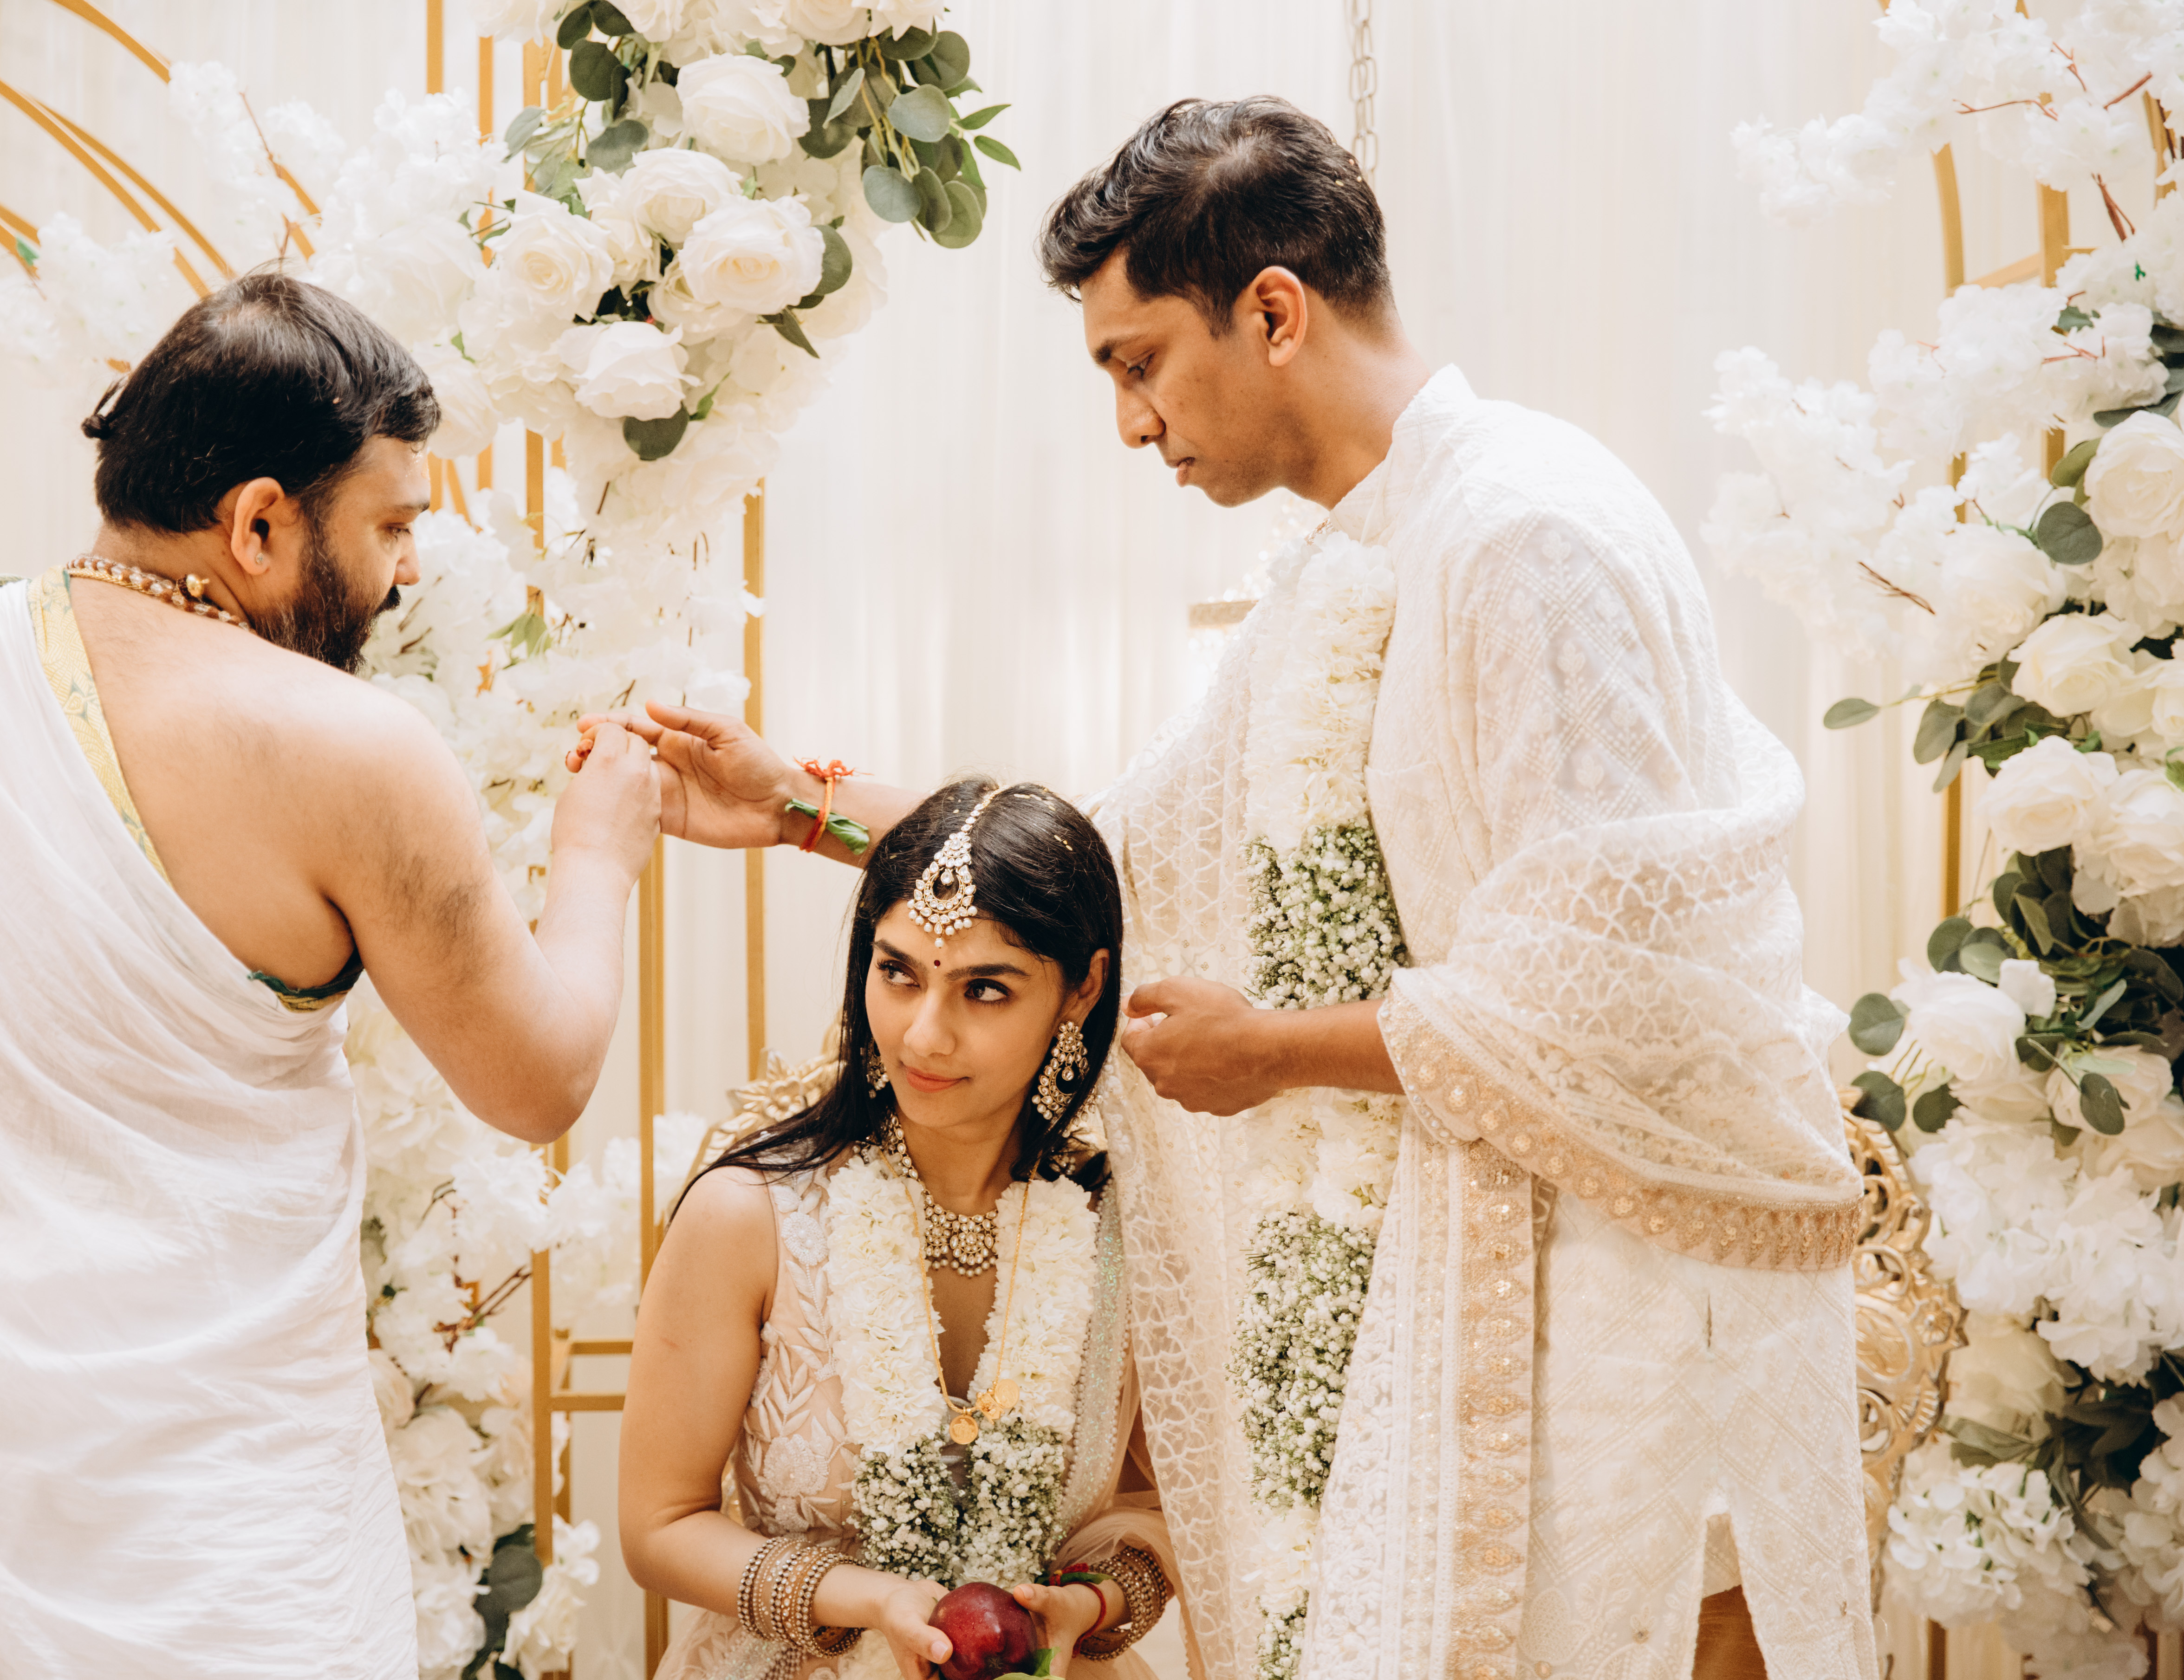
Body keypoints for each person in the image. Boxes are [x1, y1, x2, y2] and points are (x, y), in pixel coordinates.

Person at [577, 97, 1871, 1680]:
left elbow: (1613, 993)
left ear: (1271, 312)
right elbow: (1118, 856)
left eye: (1138, 363)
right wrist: (800, 807)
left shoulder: (1523, 534)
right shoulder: (1362, 554)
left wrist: (1272, 1054)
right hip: (1485, 1304)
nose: (1132, 424)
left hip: (1628, 1322)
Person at [0, 272, 659, 1678]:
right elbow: (539, 1077)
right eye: (391, 527)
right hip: (185, 1531)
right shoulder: (349, 749)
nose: (405, 573)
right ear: (259, 523)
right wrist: (600, 851)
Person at [621, 781, 1184, 1680]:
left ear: (1082, 989)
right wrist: (868, 1600)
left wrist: (1086, 1603)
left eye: (984, 989)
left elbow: (1160, 1505)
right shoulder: (750, 1217)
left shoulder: (1123, 1228)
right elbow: (659, 1527)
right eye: (899, 973)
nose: (924, 1035)